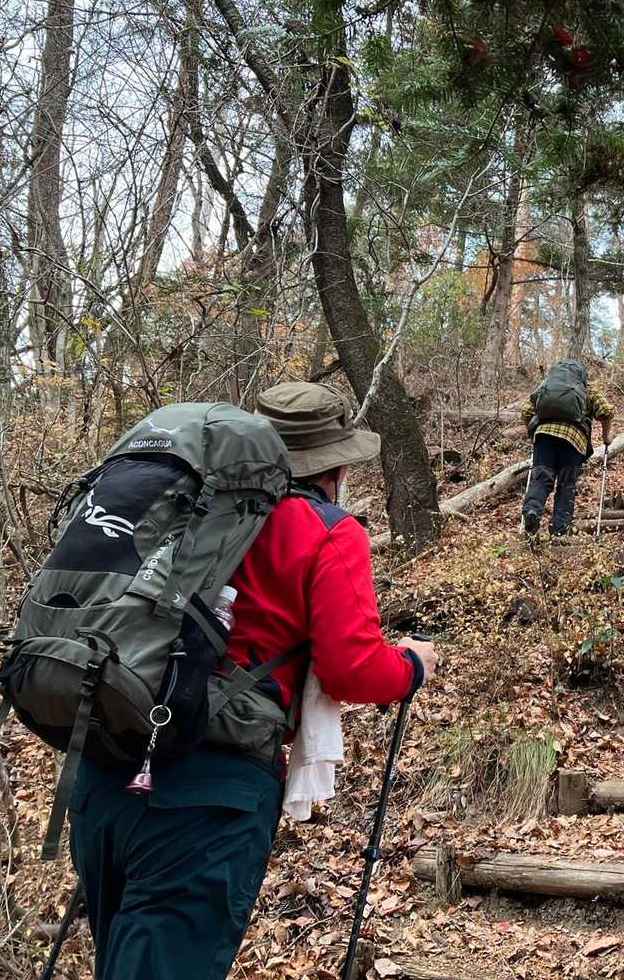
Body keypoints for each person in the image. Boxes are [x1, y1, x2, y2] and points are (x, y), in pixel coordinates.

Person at [67, 382, 438, 980]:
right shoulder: (325, 529)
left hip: (105, 770)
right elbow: (353, 668)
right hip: (208, 793)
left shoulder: (181, 503)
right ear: (336, 466)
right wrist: (412, 665)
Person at [519, 359, 614, 536]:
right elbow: (606, 411)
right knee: (566, 485)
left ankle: (532, 510)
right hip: (573, 440)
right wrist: (606, 436)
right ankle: (559, 530)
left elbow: (526, 412)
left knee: (541, 479)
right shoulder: (586, 388)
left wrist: (532, 434)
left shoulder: (546, 385)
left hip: (544, 436)